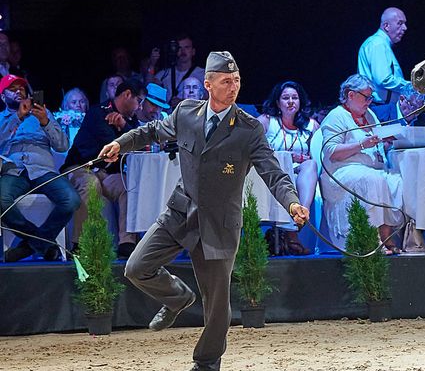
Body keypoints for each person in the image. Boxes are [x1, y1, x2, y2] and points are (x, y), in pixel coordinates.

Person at [99, 51, 309, 371]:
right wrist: (121, 143)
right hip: (182, 211)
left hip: (219, 222)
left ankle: (207, 362)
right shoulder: (185, 113)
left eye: (236, 80)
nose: (233, 86)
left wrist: (292, 202)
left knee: (217, 305)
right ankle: (178, 298)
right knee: (136, 267)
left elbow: (273, 172)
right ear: (208, 84)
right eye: (226, 81)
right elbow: (153, 131)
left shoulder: (248, 128)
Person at [319, 74, 403, 252]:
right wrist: (362, 145)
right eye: (366, 97)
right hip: (341, 171)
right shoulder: (336, 116)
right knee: (372, 180)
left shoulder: (369, 115)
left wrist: (386, 139)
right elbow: (332, 152)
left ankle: (387, 234)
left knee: (397, 181)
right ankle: (371, 239)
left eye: (371, 97)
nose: (370, 101)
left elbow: (377, 138)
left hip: (373, 168)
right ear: (350, 95)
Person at [0, 74, 79, 262]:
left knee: (71, 200)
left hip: (43, 169)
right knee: (1, 200)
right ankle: (42, 243)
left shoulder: (43, 113)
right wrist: (18, 116)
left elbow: (62, 145)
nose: (19, 91)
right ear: (3, 97)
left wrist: (45, 122)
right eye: (13, 89)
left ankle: (29, 247)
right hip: (14, 169)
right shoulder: (2, 118)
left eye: (21, 88)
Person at [63, 79, 146, 258]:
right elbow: (111, 145)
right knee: (91, 184)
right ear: (127, 95)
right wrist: (124, 132)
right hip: (80, 167)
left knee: (128, 186)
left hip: (106, 172)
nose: (139, 107)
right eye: (138, 100)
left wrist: (124, 126)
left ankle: (126, 242)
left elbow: (140, 144)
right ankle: (79, 244)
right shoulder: (97, 112)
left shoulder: (129, 120)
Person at [257, 80, 320, 256]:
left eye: (295, 98)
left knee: (311, 164)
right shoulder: (266, 122)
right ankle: (293, 236)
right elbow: (252, 146)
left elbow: (317, 156)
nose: (291, 101)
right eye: (286, 98)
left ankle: (301, 215)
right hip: (273, 171)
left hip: (300, 172)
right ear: (278, 102)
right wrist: (287, 156)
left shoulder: (311, 126)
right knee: (286, 169)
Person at [357, 7, 411, 121]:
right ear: (386, 26)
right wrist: (412, 86)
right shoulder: (378, 44)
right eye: (400, 23)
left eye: (404, 24)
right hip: (381, 110)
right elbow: (383, 79)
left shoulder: (380, 44)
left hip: (383, 108)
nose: (405, 28)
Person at [154, 34, 205, 106]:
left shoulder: (203, 74)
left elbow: (211, 99)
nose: (183, 51)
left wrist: (183, 103)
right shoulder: (164, 74)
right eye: (179, 48)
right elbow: (148, 92)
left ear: (193, 51)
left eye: (186, 47)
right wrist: (152, 64)